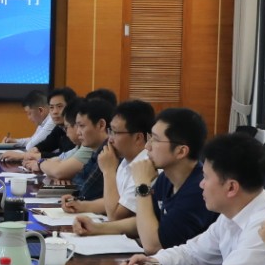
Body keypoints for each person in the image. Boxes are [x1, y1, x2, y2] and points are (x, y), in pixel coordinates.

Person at [111, 131, 265, 265]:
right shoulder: (231, 214)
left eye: (206, 178)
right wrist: (153, 262)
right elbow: (193, 254)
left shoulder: (264, 225)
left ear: (231, 188)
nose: (201, 184)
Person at [126, 107, 218, 253]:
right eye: (150, 137)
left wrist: (142, 185)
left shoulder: (198, 190)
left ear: (181, 151)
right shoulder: (166, 178)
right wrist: (98, 228)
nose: (147, 146)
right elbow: (146, 220)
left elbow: (152, 246)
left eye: (155, 139)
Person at [69, 99, 154, 236]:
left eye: (115, 132)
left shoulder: (146, 165)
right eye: (110, 131)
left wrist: (108, 171)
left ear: (138, 137)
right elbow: (120, 200)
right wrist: (81, 206)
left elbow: (115, 216)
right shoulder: (125, 161)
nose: (110, 139)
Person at [15, 87, 78, 167]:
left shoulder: (76, 130)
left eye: (59, 106)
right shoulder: (60, 127)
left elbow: (64, 157)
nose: (54, 112)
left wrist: (37, 159)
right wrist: (36, 149)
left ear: (72, 107)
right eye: (51, 107)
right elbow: (48, 143)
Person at [0, 89, 53, 153]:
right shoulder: (43, 122)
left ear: (40, 110)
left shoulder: (52, 121)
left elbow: (31, 145)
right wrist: (15, 141)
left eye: (29, 113)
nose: (29, 118)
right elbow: (33, 140)